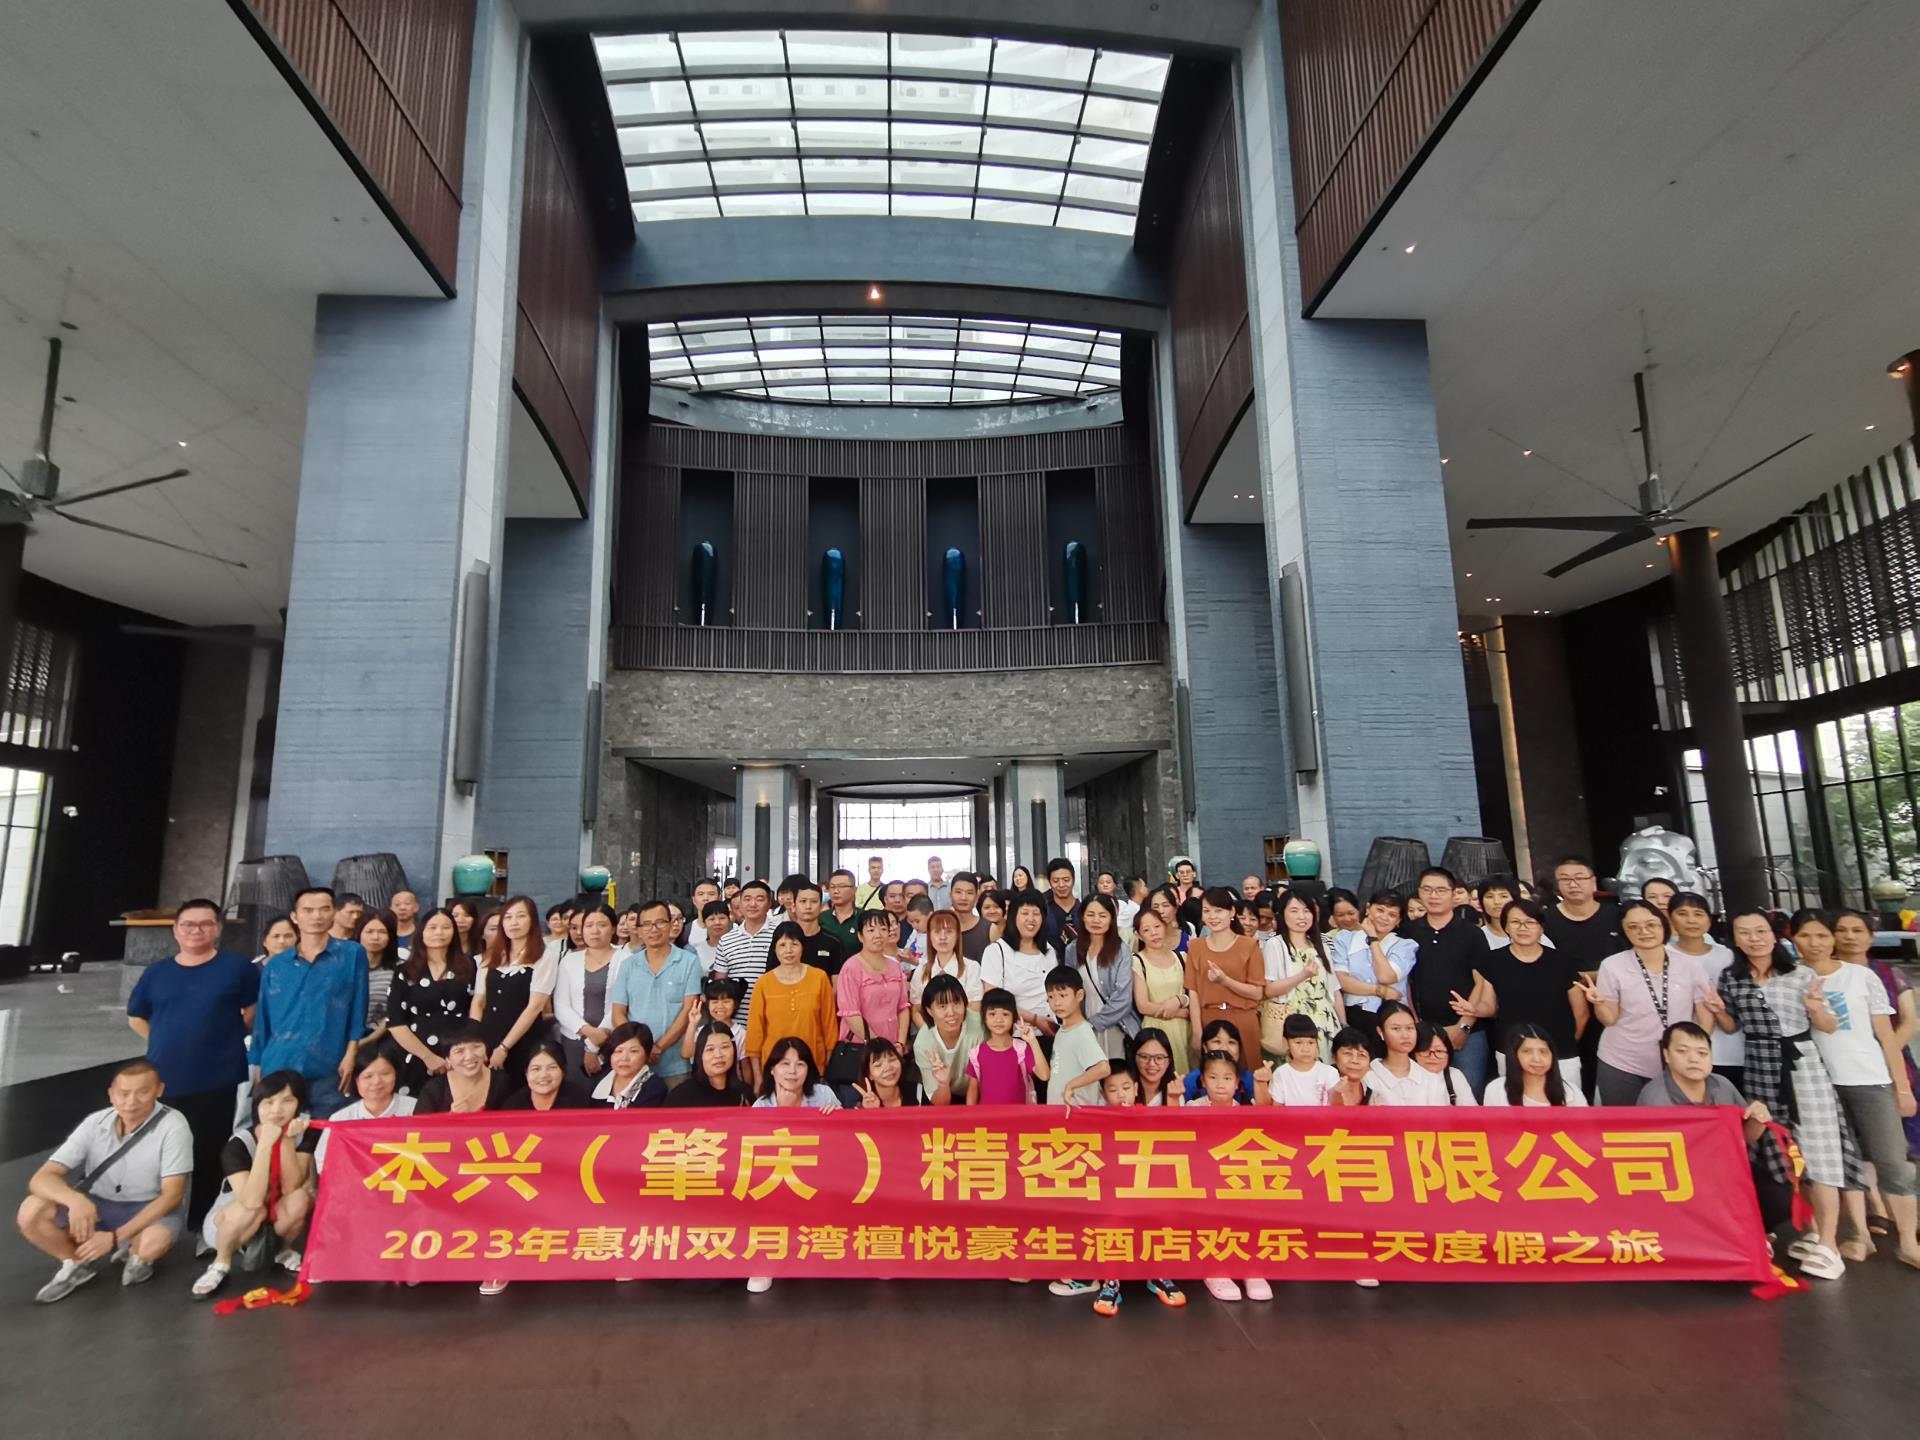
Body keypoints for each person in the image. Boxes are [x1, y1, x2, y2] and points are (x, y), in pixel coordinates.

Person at [1714, 909, 1862, 1280]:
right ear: (1735, 939)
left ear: (1775, 934)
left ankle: (1829, 1243)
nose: (1754, 938)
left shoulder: (1800, 973)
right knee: (1778, 1151)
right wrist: (1715, 1010)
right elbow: (1732, 1026)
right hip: (1758, 1067)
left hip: (1802, 1065)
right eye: (1744, 932)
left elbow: (1828, 1025)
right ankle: (1810, 1232)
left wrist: (1815, 1010)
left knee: (1821, 1150)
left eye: (1760, 931)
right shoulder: (1731, 977)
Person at [1792, 909, 1920, 1269]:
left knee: (1893, 1161)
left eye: (1822, 935)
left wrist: (1902, 1087)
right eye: (1805, 936)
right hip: (1819, 1084)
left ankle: (1908, 1242)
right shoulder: (1793, 978)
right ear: (1793, 939)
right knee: (1843, 1165)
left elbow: (1886, 1036)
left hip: (1869, 1079)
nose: (1814, 943)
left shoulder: (1861, 976)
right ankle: (1860, 1236)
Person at [124, 898, 258, 1230]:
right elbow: (136, 1016)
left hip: (218, 1074)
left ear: (218, 929)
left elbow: (252, 1012)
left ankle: (202, 1224)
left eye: (205, 924)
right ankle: (152, 1222)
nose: (196, 931)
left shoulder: (238, 968)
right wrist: (163, 1040)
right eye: (188, 925)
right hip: (165, 1075)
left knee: (210, 1150)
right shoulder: (157, 972)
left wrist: (222, 1036)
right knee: (159, 1148)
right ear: (175, 931)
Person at [17, 1059, 191, 1303]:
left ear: (159, 1090)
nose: (131, 1102)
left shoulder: (174, 1126)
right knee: (31, 1210)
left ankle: (132, 1249)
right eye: (124, 1093)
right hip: (97, 1204)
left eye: (143, 1092)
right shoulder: (94, 1122)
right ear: (111, 1094)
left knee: (151, 1246)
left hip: (146, 1205)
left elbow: (172, 1195)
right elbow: (41, 1178)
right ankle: (75, 1263)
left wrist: (114, 1237)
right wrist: (75, 1201)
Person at [1641, 1021, 1791, 1233]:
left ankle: (1755, 1235)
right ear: (1666, 1055)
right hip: (1680, 1177)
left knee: (1780, 1200)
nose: (1694, 1059)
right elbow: (1655, 1158)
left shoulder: (1722, 1085)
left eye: (1702, 1053)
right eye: (1682, 1051)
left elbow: (1746, 1137)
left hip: (1725, 1168)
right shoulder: (1655, 1096)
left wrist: (1758, 1120)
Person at [190, 1070, 314, 1300]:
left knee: (300, 1198)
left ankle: (282, 1251)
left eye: (287, 1101)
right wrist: (265, 1144)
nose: (277, 1110)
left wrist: (286, 1141)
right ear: (257, 1106)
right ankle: (220, 1264)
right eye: (269, 1102)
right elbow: (251, 1200)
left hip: (273, 1214)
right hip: (230, 1222)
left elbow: (290, 1188)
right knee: (253, 1209)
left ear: (299, 1105)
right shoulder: (238, 1144)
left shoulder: (303, 1134)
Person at [1581, 900, 1717, 1106]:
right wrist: (1599, 1003)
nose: (1644, 932)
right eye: (1633, 927)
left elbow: (1705, 1018)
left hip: (1678, 1061)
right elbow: (1609, 1020)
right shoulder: (1612, 966)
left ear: (1664, 925)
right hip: (1622, 1061)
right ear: (1624, 932)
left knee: (1679, 1122)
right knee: (1625, 1123)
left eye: (1651, 924)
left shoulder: (1690, 965)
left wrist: (1693, 1052)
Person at [1077, 1061, 1186, 1316]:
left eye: (1126, 1087)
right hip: (1112, 1193)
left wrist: (1173, 1099)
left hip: (1146, 1189)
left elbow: (1173, 1134)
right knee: (1111, 1218)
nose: (1121, 1094)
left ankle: (1158, 1273)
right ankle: (1111, 1281)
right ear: (1103, 1093)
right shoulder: (1098, 1120)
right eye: (1113, 1089)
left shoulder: (1148, 1115)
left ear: (1136, 1088)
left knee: (1163, 1213)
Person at [252, 887, 368, 1119]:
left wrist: (351, 1053)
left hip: (330, 1062)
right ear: (295, 916)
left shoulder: (352, 954)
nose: (316, 916)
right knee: (279, 1131)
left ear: (334, 913)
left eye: (324, 909)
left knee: (325, 1131)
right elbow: (263, 1019)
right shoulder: (276, 965)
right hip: (280, 1060)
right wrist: (257, 1066)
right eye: (308, 910)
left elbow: (358, 1008)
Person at [1833, 907, 1920, 1157]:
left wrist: (1881, 1054)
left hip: (1892, 1059)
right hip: (1844, 1065)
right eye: (1841, 930)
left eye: (1857, 930)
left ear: (1871, 937)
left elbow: (1909, 1021)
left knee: (1902, 1134)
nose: (1850, 936)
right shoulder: (1822, 975)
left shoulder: (1888, 973)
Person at [1399, 868, 1494, 1096]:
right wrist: (1416, 1024)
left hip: (1468, 1033)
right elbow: (1406, 982)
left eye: (1441, 890)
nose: (1433, 896)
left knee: (1468, 1094)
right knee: (1424, 1096)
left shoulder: (1472, 934)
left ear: (1453, 894)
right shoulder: (1408, 931)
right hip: (1423, 1030)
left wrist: (1464, 1026)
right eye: (1427, 890)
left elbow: (1482, 982)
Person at [1189, 1049, 1273, 1303]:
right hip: (1202, 1181)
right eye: (1213, 1077)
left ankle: (1251, 1268)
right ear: (1203, 1080)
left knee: (1250, 1213)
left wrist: (1261, 1084)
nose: (1220, 1084)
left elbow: (1268, 1120)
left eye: (1227, 1078)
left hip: (1238, 1181)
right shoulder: (1191, 1108)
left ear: (1237, 1083)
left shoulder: (1246, 1111)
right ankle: (1216, 1269)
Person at [1476, 899, 1586, 1092]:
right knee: (1515, 1103)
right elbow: (1489, 1006)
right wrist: (1473, 1009)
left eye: (1530, 922)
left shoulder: (1563, 962)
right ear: (1506, 927)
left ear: (1541, 928)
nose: (1523, 928)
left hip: (1561, 1051)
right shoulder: (1493, 961)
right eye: (1515, 922)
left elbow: (1581, 1012)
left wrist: (1569, 1040)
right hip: (1511, 1050)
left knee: (1566, 1103)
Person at [1542, 854, 1625, 1094]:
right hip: (1562, 1006)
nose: (1573, 884)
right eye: (1565, 879)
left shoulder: (1616, 916)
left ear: (1593, 881)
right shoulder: (1546, 919)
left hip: (1612, 1006)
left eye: (1580, 878)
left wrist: (1584, 976)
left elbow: (1627, 962)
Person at [610, 898, 703, 1085]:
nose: (653, 929)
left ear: (670, 925)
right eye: (646, 924)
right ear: (638, 930)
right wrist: (641, 1048)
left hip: (676, 1065)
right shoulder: (628, 965)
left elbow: (688, 1010)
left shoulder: (689, 961)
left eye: (660, 922)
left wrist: (658, 1047)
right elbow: (618, 1012)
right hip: (635, 1065)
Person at [385, 906, 476, 1096]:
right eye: (432, 927)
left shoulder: (469, 966)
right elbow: (396, 1023)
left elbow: (476, 1010)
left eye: (446, 927)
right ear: (421, 932)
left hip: (461, 1055)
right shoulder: (405, 971)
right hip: (417, 1054)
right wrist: (428, 1057)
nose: (439, 932)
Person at [472, 894, 559, 1079]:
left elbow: (534, 1007)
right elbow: (478, 1001)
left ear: (532, 920)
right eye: (508, 917)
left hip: (523, 1039)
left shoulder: (544, 956)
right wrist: (475, 1040)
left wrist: (504, 1047)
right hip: (487, 1036)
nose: (514, 922)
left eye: (521, 916)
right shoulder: (493, 955)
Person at [1255, 887, 1346, 1057]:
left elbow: (1334, 990)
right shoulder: (1276, 945)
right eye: (1294, 911)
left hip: (1326, 1022)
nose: (1302, 916)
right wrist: (1302, 975)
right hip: (1293, 1023)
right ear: (1282, 914)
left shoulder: (1322, 946)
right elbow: (1270, 989)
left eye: (1306, 911)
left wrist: (1343, 1025)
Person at [745, 920, 837, 1085]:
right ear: (774, 949)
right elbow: (755, 1034)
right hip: (774, 1068)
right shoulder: (763, 984)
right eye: (782, 945)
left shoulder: (820, 978)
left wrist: (827, 1070)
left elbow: (829, 1027)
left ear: (803, 947)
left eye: (794, 944)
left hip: (813, 1066)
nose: (788, 950)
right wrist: (758, 1077)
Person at [1667, 892, 1742, 1090]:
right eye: (1682, 913)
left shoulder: (1727, 956)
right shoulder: (1663, 955)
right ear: (1670, 919)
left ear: (1709, 921)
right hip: (1683, 1052)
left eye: (1698, 914)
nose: (1691, 920)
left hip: (1729, 1050)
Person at [1185, 886, 1264, 1067]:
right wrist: (1196, 1031)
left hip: (1243, 1019)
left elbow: (1257, 993)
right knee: (1213, 1074)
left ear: (1232, 912)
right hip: (1209, 1019)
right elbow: (1193, 992)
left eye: (1218, 910)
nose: (1212, 916)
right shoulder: (1195, 947)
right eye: (1207, 911)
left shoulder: (1249, 946)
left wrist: (1225, 981)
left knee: (1248, 1074)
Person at [315, 1042, 415, 1170]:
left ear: (396, 1074)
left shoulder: (414, 1108)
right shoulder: (341, 1119)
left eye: (385, 1073)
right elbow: (323, 1162)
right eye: (368, 1076)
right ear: (356, 1080)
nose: (376, 1081)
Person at [553, 904, 624, 1083]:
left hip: (612, 1040)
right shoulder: (569, 960)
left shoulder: (625, 958)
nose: (595, 931)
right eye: (589, 925)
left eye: (602, 925)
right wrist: (589, 1032)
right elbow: (560, 1004)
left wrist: (594, 1043)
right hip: (574, 1039)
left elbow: (620, 1004)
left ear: (613, 928)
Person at [1330, 889, 1410, 1041]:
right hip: (1352, 1015)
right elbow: (1342, 981)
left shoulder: (1405, 946)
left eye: (1392, 915)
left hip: (1391, 1017)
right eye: (1380, 910)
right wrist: (1381, 991)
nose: (1384, 917)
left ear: (1398, 920)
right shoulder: (1345, 939)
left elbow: (1386, 976)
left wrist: (1373, 939)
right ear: (1368, 908)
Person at [980, 892, 1060, 1040]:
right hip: (1014, 1036)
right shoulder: (996, 952)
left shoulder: (1049, 951)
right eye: (1025, 913)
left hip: (1050, 1032)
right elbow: (993, 1001)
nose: (1031, 919)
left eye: (1036, 913)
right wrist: (1035, 1020)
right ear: (1013, 916)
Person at [1073, 893, 1137, 1059]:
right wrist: (1080, 1024)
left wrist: (1093, 1023)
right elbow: (1069, 990)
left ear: (1111, 919)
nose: (1096, 920)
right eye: (1090, 914)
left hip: (1116, 1025)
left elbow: (1123, 997)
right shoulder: (1072, 950)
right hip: (1082, 1024)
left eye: (1102, 915)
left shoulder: (1121, 950)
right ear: (1082, 917)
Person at [1130, 906, 1192, 1074]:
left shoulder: (1182, 958)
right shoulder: (1137, 962)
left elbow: (1192, 994)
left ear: (1165, 926)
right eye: (1146, 930)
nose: (1154, 933)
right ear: (1139, 935)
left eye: (1157, 926)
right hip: (1155, 1029)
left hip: (1184, 1030)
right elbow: (1143, 1006)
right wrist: (1178, 1012)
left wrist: (1180, 1000)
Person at [836, 909, 911, 1049]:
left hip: (893, 1047)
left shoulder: (895, 966)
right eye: (871, 930)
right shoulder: (851, 968)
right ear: (860, 936)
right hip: (862, 1046)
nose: (878, 935)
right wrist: (878, 1047)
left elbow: (903, 1007)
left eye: (883, 929)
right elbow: (850, 1014)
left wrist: (900, 1043)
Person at [965, 989, 1049, 1104]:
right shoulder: (977, 1053)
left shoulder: (1022, 1049)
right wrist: (970, 1114)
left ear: (1014, 1017)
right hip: (986, 1115)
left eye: (1005, 1014)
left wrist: (1032, 1041)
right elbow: (972, 1089)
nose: (999, 1020)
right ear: (984, 1017)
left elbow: (1044, 1075)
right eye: (992, 1014)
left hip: (1019, 1114)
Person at [1044, 966, 1110, 1105]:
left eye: (1063, 995)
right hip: (1060, 1111)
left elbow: (1103, 1068)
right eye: (1051, 997)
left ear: (1079, 995)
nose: (1056, 1003)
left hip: (1075, 1112)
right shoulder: (1063, 1030)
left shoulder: (1081, 1032)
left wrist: (1071, 1085)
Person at [915, 973, 985, 1104]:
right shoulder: (923, 1044)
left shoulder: (981, 1027)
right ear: (929, 1011)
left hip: (981, 1093)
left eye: (956, 1003)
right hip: (945, 1096)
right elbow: (939, 1103)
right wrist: (943, 1083)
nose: (951, 1012)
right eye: (942, 1006)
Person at [712, 880, 776, 1022]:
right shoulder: (726, 940)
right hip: (736, 1021)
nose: (752, 904)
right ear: (740, 904)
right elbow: (720, 984)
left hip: (772, 1019)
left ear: (769, 904)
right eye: (747, 899)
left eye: (759, 899)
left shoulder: (780, 935)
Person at [412, 1025, 513, 1114]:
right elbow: (419, 1127)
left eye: (476, 1047)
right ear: (448, 1060)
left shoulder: (503, 1082)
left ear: (486, 1052)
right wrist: (450, 1117)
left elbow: (514, 1123)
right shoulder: (434, 1089)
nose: (469, 1056)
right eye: (459, 1051)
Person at [1366, 1003, 1450, 1105]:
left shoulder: (1431, 1079)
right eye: (1396, 1028)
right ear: (1380, 1031)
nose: (1405, 1035)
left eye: (1410, 1028)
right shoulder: (1368, 1076)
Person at [1482, 1024, 1586, 1107]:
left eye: (1543, 1051)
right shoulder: (1496, 1090)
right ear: (1513, 1055)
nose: (1537, 1059)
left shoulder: (1572, 1093)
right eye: (1527, 1051)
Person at [664, 1025, 758, 1108]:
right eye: (710, 1049)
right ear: (700, 1054)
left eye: (725, 1047)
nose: (718, 1055)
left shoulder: (744, 1093)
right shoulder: (682, 1095)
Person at [911, 909, 982, 1016]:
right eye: (937, 932)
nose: (943, 937)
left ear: (957, 935)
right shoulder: (921, 971)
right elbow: (917, 1009)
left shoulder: (971, 967)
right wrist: (931, 1027)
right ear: (929, 936)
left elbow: (974, 1006)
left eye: (949, 931)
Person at [1263, 1013, 1338, 1106]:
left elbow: (1338, 1109)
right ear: (1286, 1042)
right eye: (1298, 1042)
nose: (1305, 1049)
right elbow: (1276, 1108)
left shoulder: (1330, 1072)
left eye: (1311, 1042)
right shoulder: (1281, 1074)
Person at [587, 1022, 667, 1108]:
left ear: (647, 1055)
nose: (624, 1058)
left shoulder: (654, 1088)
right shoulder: (599, 1083)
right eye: (619, 1051)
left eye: (633, 1051)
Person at [353, 908, 399, 1055]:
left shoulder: (399, 970)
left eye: (382, 932)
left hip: (382, 1039)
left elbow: (394, 1013)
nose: (375, 937)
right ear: (359, 934)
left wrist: (368, 1040)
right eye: (369, 931)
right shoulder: (345, 966)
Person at [500, 1039, 592, 1111]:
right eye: (536, 1069)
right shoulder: (513, 1105)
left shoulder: (579, 1101)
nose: (543, 1075)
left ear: (563, 1071)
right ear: (526, 1073)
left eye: (552, 1067)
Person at [680, 974, 747, 1070]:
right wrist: (692, 1023)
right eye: (715, 1002)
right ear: (708, 1004)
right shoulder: (701, 1031)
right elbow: (686, 1054)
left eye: (726, 1001)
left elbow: (745, 1066)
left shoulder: (741, 1033)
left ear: (735, 1004)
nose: (720, 1006)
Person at [1179, 1019, 1255, 1102]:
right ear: (1205, 1047)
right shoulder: (1191, 1081)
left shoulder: (1251, 1079)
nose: (1224, 1048)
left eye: (1231, 1042)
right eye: (1217, 1041)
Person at [788, 881, 853, 976]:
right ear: (793, 906)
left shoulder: (833, 942)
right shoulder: (783, 940)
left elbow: (836, 979)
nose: (808, 906)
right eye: (803, 901)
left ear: (821, 906)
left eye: (814, 901)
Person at [1413, 1024, 1479, 1105]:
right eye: (1425, 1051)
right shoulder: (1403, 1078)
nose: (1433, 1057)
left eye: (1439, 1051)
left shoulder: (1455, 1075)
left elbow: (1470, 1110)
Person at [852, 1036, 919, 1108]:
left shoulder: (918, 1092)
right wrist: (872, 1112)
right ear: (869, 1074)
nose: (888, 1068)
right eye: (878, 1065)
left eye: (892, 1060)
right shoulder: (863, 1105)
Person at [1128, 1029, 1181, 1106]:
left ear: (1169, 1061)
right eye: (1144, 1057)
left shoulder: (1175, 1093)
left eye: (1159, 1058)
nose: (1151, 1064)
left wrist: (1174, 1100)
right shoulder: (1121, 1091)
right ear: (1134, 1058)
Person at [1040, 857, 1083, 952]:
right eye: (1056, 881)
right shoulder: (1043, 910)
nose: (1061, 885)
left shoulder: (1083, 910)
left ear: (1073, 880)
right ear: (1050, 882)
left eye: (1066, 880)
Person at [949, 872, 991, 964]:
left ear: (977, 897)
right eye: (958, 892)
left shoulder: (989, 929)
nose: (963, 897)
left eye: (969, 893)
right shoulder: (941, 929)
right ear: (950, 895)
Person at [1328, 1028, 1374, 1108]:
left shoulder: (1373, 1094)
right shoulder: (1321, 1088)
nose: (1354, 1061)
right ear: (1334, 1056)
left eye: (1362, 1055)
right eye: (1348, 1053)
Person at [822, 869, 862, 949]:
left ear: (854, 889)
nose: (836, 891)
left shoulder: (864, 918)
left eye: (841, 886)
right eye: (832, 887)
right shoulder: (821, 918)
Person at [390, 889, 420, 959]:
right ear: (391, 909)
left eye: (407, 903)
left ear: (416, 907)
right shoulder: (385, 933)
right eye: (397, 905)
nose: (402, 908)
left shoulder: (422, 933)